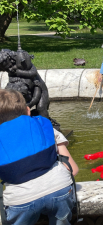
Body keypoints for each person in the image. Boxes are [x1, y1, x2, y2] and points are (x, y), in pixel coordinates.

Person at [0, 89, 79, 225]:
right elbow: (73, 169)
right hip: (60, 190)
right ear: (28, 111)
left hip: (20, 200)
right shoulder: (45, 126)